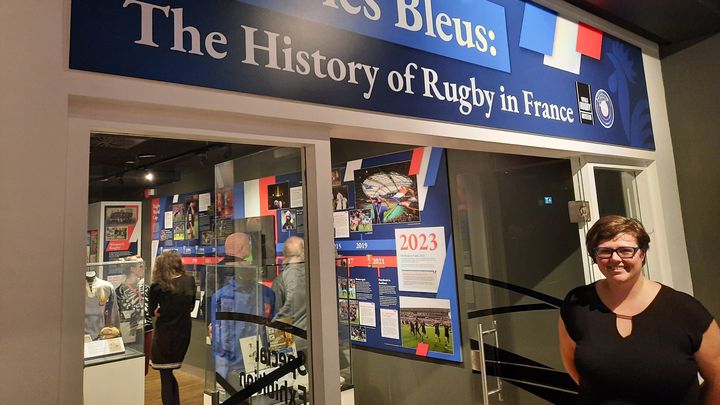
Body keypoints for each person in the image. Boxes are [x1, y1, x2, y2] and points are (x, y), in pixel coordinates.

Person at [559, 215, 720, 404]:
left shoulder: (686, 311)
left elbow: (717, 378)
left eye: (626, 250)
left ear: (642, 254)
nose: (615, 258)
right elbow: (572, 364)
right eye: (605, 251)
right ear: (595, 256)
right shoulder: (577, 304)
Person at [209, 232, 274, 386]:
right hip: (235, 370)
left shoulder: (266, 294)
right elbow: (219, 340)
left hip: (258, 366)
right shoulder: (220, 297)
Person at [148, 250, 196, 405]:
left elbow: (151, 311)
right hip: (183, 332)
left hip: (164, 336)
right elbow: (190, 306)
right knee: (168, 373)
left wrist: (161, 311)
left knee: (165, 375)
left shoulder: (157, 286)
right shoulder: (189, 281)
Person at [115, 256, 152, 374]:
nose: (143, 268)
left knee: (143, 367)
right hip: (128, 332)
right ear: (132, 269)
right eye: (140, 266)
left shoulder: (146, 288)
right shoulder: (119, 291)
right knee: (128, 364)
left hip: (146, 330)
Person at [272, 236, 308, 351]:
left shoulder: (280, 280)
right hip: (316, 339)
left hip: (292, 343)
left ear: (285, 254)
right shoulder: (315, 274)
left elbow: (277, 314)